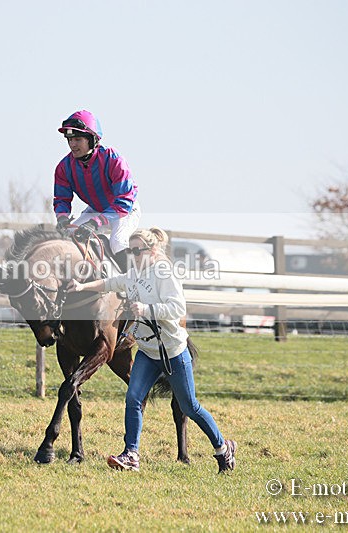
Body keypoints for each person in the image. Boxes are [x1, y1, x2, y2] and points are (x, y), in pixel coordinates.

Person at [67, 227, 237, 473]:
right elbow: (111, 282)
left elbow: (177, 308)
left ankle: (223, 448)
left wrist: (146, 310)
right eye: (130, 251)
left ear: (152, 250)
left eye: (137, 250)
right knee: (133, 398)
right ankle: (131, 455)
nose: (133, 255)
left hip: (172, 352)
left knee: (190, 407)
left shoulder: (164, 273)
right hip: (147, 351)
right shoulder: (136, 271)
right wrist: (82, 288)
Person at [53, 110, 140, 269]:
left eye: (78, 139)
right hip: (96, 209)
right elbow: (61, 199)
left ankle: (136, 287)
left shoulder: (113, 159)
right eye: (70, 140)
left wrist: (96, 223)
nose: (72, 145)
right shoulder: (64, 167)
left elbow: (124, 201)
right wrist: (62, 218)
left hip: (124, 210)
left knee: (117, 243)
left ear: (92, 140)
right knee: (66, 239)